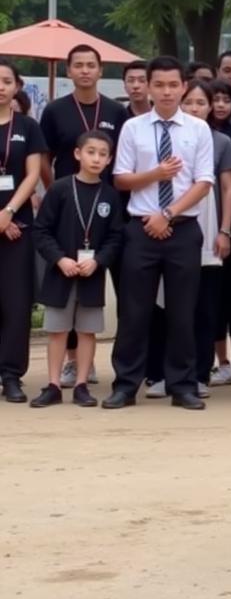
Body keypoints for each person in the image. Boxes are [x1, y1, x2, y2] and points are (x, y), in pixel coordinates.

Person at [104, 56, 215, 411]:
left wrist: (167, 213)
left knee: (183, 311)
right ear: (148, 87)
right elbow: (121, 178)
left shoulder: (198, 129)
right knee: (134, 311)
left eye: (173, 85)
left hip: (182, 227)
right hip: (140, 228)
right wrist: (156, 175)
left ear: (184, 86)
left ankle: (182, 385)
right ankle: (126, 384)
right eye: (160, 85)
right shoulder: (133, 127)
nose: (167, 92)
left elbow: (204, 183)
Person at [39, 44, 127, 389]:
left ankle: (104, 367)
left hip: (105, 206)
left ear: (100, 71)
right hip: (67, 202)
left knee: (97, 289)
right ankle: (71, 366)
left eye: (92, 65)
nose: (86, 70)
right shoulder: (56, 110)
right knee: (65, 286)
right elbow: (45, 156)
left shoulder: (116, 111)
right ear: (69, 71)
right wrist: (57, 190)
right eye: (79, 65)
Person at [31, 131, 123, 408]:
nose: (96, 159)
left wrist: (98, 260)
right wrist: (60, 259)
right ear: (77, 154)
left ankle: (82, 383)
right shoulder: (59, 188)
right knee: (58, 330)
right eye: (91, 152)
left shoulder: (110, 195)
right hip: (61, 272)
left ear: (109, 160)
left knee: (87, 330)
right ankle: (54, 384)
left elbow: (116, 236)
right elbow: (41, 231)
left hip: (91, 273)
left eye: (102, 154)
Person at [180, 80, 231, 397]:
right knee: (173, 307)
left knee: (205, 307)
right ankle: (167, 371)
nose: (195, 108)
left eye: (201, 103)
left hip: (210, 231)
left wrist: (225, 230)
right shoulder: (168, 137)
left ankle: (201, 373)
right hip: (171, 230)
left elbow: (228, 188)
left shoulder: (221, 142)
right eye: (189, 102)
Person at [0, 60, 47, 404]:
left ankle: (11, 374)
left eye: (6, 81)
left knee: (17, 305)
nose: (0, 87)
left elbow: (32, 175)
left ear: (17, 86)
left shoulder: (28, 126)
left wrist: (9, 212)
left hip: (17, 227)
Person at [204, 79, 231, 387]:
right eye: (214, 99)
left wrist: (227, 229)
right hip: (198, 232)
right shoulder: (193, 135)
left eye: (225, 99)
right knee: (212, 301)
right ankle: (220, 362)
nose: (220, 105)